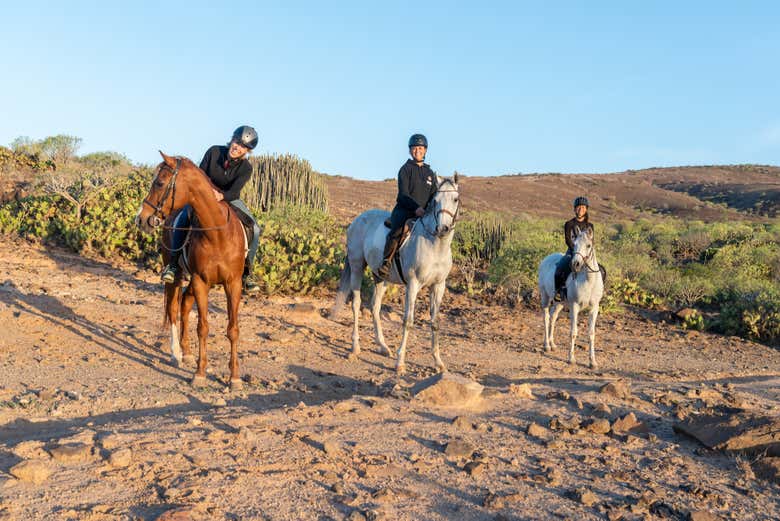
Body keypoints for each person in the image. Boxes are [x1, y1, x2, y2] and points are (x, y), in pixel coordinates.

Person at [160, 125, 261, 293]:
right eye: (237, 142)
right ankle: (173, 264)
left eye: (243, 146)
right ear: (232, 140)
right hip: (204, 196)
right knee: (182, 217)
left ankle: (247, 273)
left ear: (247, 151)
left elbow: (235, 191)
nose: (237, 147)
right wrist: (208, 192)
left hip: (229, 199)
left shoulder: (246, 168)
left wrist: (221, 196)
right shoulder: (214, 152)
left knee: (255, 228)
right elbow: (200, 175)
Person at [377, 133, 438, 279]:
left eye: (420, 148)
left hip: (424, 213)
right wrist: (416, 208)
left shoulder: (430, 173)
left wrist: (430, 210)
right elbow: (403, 194)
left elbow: (433, 195)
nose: (417, 151)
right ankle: (386, 262)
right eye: (414, 148)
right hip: (405, 210)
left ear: (425, 150)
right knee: (397, 230)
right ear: (410, 150)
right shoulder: (405, 169)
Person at [554, 196, 595, 301]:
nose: (581, 209)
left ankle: (597, 292)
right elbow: (568, 241)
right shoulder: (569, 224)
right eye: (578, 207)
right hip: (573, 251)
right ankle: (559, 291)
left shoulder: (590, 225)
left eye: (583, 207)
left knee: (599, 270)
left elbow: (592, 242)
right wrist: (577, 252)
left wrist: (586, 255)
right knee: (560, 267)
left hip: (586, 254)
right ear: (574, 209)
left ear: (586, 209)